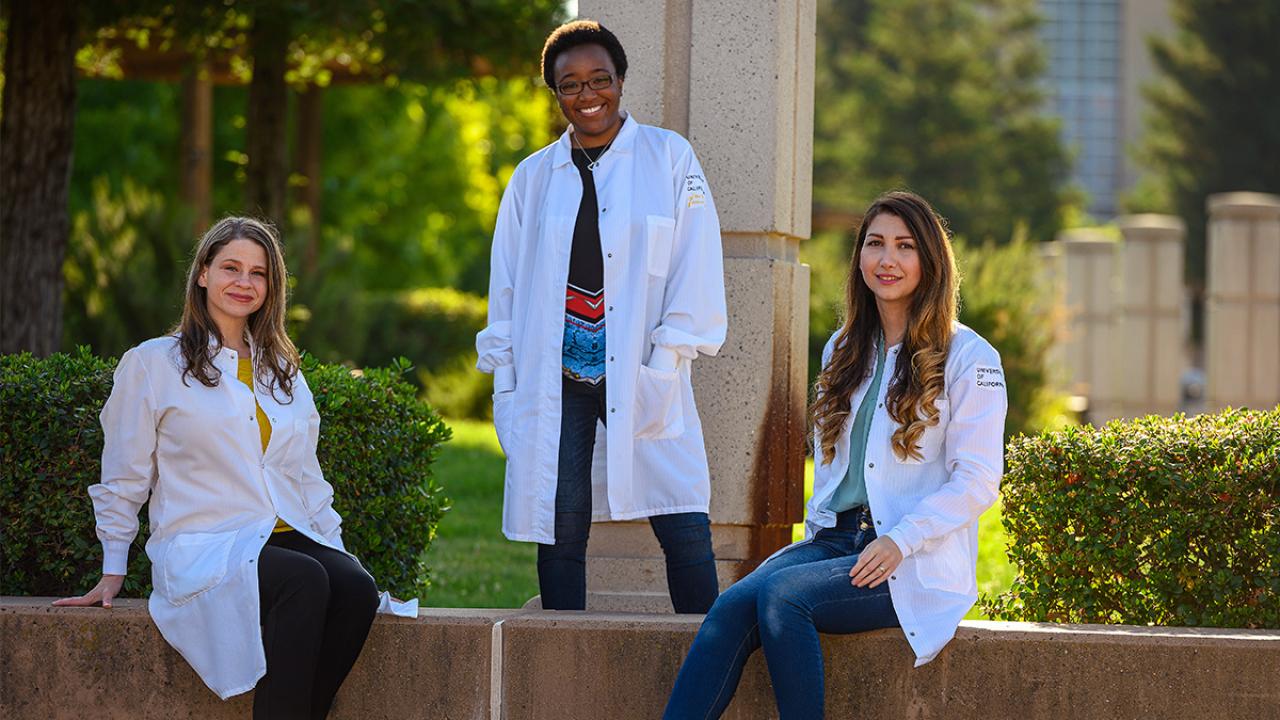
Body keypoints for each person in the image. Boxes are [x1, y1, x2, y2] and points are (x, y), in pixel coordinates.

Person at [663, 191, 1008, 718]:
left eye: (904, 246)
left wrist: (900, 540)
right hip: (835, 540)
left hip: (907, 556)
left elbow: (979, 479)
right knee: (729, 610)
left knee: (785, 598)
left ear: (930, 261)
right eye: (875, 244)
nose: (887, 259)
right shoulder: (844, 347)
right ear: (860, 258)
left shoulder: (969, 356)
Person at [55, 217, 408, 719]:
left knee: (355, 588)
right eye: (231, 268)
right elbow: (126, 471)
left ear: (272, 287)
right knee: (304, 582)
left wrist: (337, 551)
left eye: (259, 273)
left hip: (280, 533)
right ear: (202, 274)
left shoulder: (281, 369)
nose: (244, 282)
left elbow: (305, 478)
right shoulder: (154, 364)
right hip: (206, 542)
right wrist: (114, 566)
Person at [475, 19, 728, 613]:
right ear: (554, 93)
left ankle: (709, 647)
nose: (588, 96)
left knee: (682, 516)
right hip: (556, 374)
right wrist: (508, 376)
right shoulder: (532, 176)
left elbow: (696, 258)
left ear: (620, 80)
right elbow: (506, 284)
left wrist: (667, 357)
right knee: (561, 525)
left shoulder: (669, 157)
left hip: (642, 367)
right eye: (570, 85)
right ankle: (563, 665)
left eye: (600, 80)